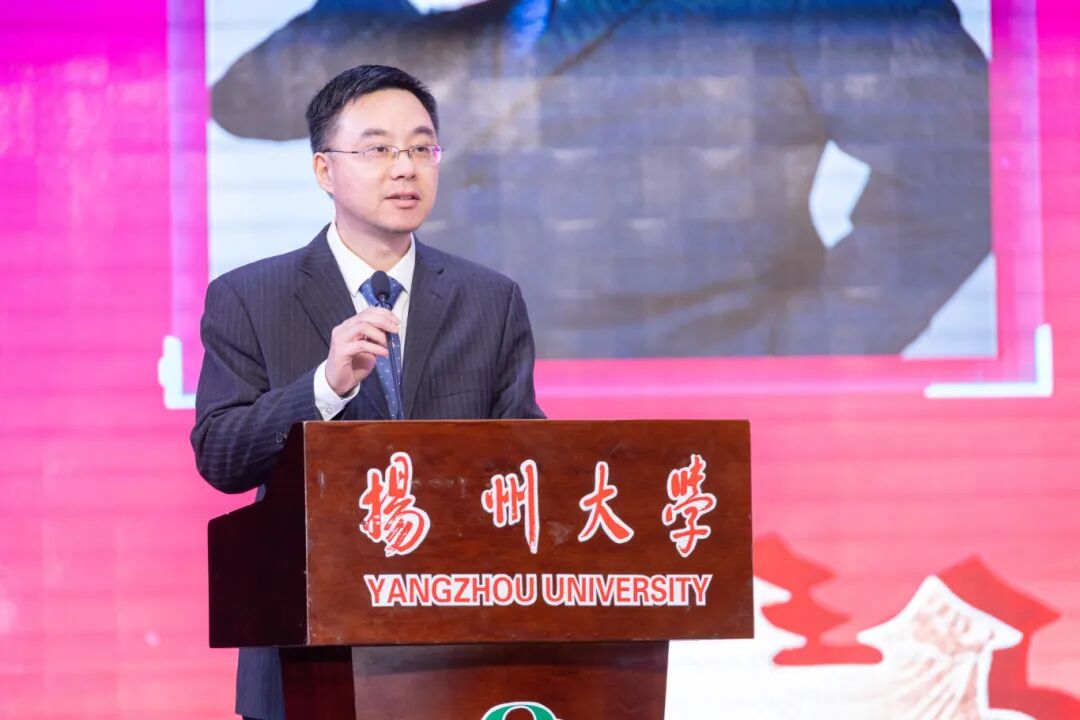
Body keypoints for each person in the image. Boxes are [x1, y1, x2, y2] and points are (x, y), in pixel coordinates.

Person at [211, 0, 992, 358]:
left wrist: (808, 357)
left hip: (706, 412)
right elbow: (249, 102)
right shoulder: (434, 14)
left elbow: (966, 168)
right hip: (457, 419)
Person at [191, 64, 544, 720]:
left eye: (421, 148)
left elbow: (527, 464)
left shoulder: (491, 300)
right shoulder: (249, 297)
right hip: (306, 659)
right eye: (378, 149)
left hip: (459, 660)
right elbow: (221, 457)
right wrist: (324, 388)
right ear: (324, 170)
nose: (405, 168)